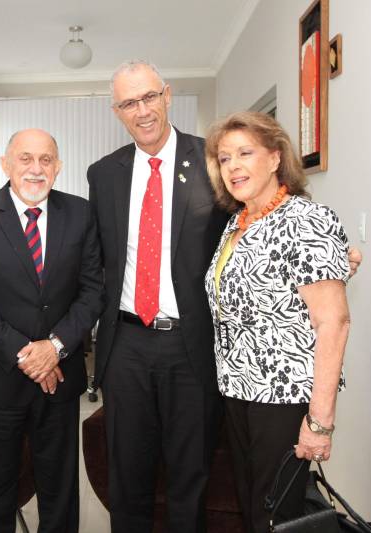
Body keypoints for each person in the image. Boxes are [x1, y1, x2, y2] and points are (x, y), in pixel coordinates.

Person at [87, 61, 228, 533]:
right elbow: (96, 258)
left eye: (149, 97)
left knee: (190, 474)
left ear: (167, 95)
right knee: (126, 475)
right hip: (125, 345)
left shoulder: (213, 160)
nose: (142, 110)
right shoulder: (103, 174)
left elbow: (252, 220)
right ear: (117, 111)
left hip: (191, 344)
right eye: (129, 103)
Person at [203, 111, 350, 532]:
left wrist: (319, 423)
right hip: (239, 391)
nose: (233, 166)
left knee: (276, 518)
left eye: (245, 153)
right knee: (256, 511)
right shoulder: (238, 223)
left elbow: (334, 323)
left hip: (283, 399)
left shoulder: (306, 220)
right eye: (225, 158)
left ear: (275, 157)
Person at [0, 129, 104, 533]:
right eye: (25, 158)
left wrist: (54, 348)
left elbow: (93, 291)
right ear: (5, 164)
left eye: (45, 159)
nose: (36, 169)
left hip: (60, 378)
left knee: (60, 494)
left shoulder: (81, 214)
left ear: (58, 167)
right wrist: (27, 354)